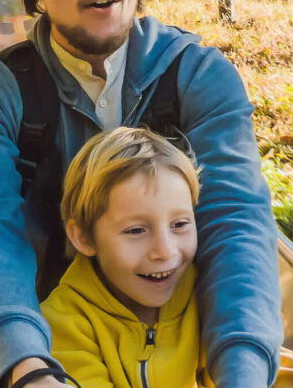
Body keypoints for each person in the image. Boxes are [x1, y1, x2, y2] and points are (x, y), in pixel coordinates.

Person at [0, 0, 281, 388]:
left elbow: (235, 218)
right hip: (59, 345)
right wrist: (26, 368)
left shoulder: (197, 77)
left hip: (184, 343)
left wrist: (242, 368)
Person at [42, 127, 210, 387]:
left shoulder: (206, 293)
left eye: (179, 225)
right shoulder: (64, 324)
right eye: (136, 230)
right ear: (84, 237)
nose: (165, 251)